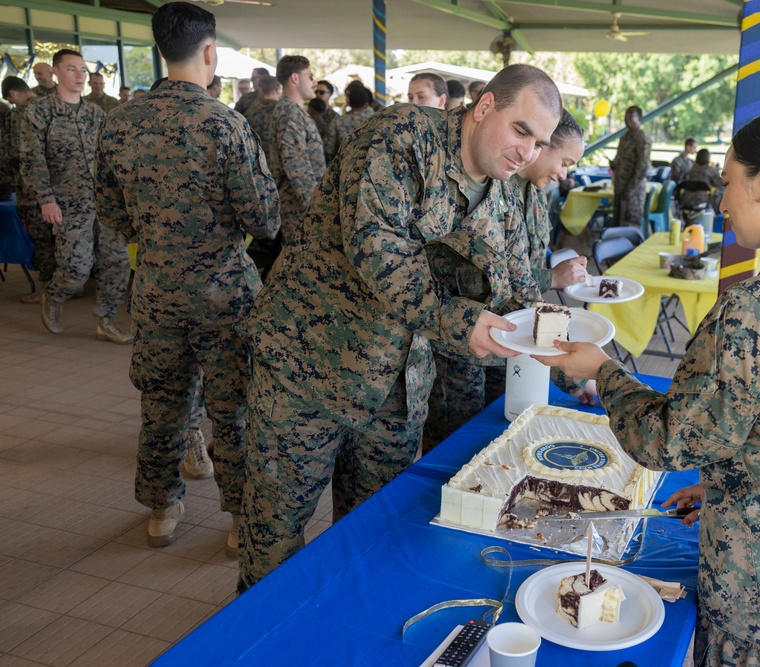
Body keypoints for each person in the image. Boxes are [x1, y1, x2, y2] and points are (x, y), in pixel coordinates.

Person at [537, 104, 760, 666]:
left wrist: (602, 371)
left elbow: (668, 441)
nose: (722, 202)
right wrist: (727, 482)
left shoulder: (756, 309)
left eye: (730, 183)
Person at [239, 63, 563, 591]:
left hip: (395, 389)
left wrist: (575, 363)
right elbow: (380, 252)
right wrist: (460, 321)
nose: (527, 151)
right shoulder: (400, 137)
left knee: (371, 539)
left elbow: (510, 290)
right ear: (484, 107)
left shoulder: (501, 189)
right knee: (274, 540)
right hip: (307, 368)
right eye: (520, 130)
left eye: (539, 142)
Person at [94, 1, 281, 553]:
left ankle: (162, 509)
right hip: (223, 293)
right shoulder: (225, 123)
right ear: (209, 52)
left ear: (159, 49)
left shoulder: (120, 122)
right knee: (234, 410)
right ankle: (239, 519)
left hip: (153, 289)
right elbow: (264, 218)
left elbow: (110, 212)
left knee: (162, 402)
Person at [423, 108, 595, 450]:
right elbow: (495, 284)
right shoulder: (492, 188)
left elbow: (522, 283)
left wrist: (574, 373)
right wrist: (571, 373)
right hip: (464, 351)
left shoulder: (530, 192)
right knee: (454, 449)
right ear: (541, 146)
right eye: (564, 162)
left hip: (508, 344)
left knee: (500, 445)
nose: (563, 174)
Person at [19, 49, 131, 344]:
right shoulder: (39, 112)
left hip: (103, 202)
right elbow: (32, 160)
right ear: (55, 72)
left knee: (117, 263)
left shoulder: (96, 113)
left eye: (83, 69)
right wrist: (46, 199)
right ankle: (54, 295)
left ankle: (106, 322)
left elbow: (111, 156)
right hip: (67, 204)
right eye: (72, 69)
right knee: (76, 268)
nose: (80, 75)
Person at [2, 76, 52, 304]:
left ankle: (47, 290)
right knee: (56, 235)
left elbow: (12, 153)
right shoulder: (52, 104)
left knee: (41, 237)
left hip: (31, 188)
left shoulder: (19, 114)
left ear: (13, 94)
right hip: (57, 185)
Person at [268, 55, 325, 243]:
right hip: (300, 210)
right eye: (310, 76)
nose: (314, 83)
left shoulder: (294, 111)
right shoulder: (289, 113)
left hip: (303, 208)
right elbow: (298, 169)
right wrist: (319, 210)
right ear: (295, 78)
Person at [609, 105, 651, 228]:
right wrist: (615, 164)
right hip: (620, 186)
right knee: (617, 223)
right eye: (626, 115)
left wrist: (630, 189)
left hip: (633, 190)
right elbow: (620, 158)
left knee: (630, 224)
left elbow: (643, 167)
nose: (627, 118)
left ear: (640, 118)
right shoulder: (624, 138)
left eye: (631, 116)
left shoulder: (642, 139)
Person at [323, 83, 372, 164]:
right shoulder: (375, 120)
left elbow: (328, 150)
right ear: (366, 104)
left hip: (345, 168)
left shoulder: (337, 121)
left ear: (348, 101)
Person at [243, 74, 281, 158]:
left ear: (260, 90)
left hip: (257, 161)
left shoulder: (251, 111)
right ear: (278, 90)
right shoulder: (282, 112)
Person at [681, 148, 725, 213]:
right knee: (723, 190)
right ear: (708, 158)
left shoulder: (690, 169)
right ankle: (719, 213)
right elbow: (721, 183)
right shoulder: (709, 170)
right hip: (701, 200)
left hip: (686, 200)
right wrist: (715, 170)